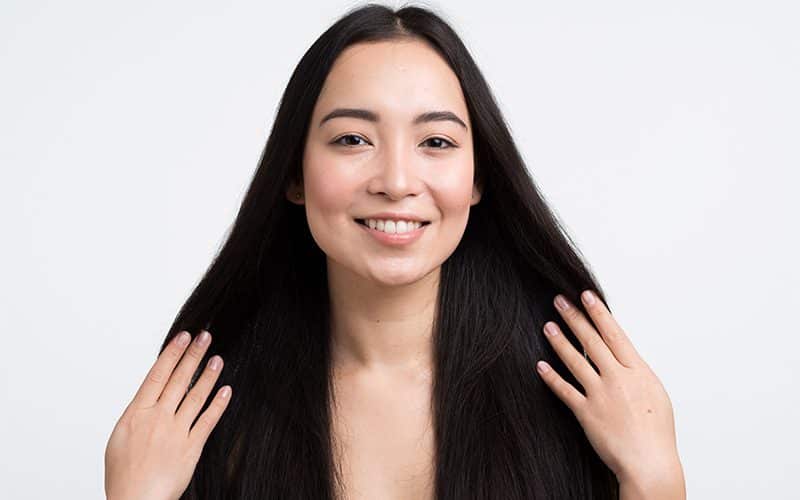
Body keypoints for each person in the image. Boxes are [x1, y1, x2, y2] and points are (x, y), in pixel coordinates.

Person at [105, 3, 685, 499]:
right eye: (352, 139)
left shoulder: (575, 395)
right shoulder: (207, 410)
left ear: (478, 177)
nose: (397, 179)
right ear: (295, 174)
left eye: (436, 141)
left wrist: (654, 478)